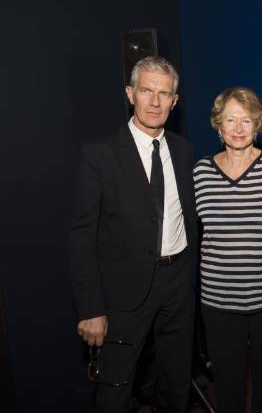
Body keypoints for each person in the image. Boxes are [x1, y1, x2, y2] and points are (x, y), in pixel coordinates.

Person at [68, 56, 198, 412]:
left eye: (164, 93)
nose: (155, 102)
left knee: (175, 383)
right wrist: (90, 308)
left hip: (178, 285)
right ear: (130, 94)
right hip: (124, 291)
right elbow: (81, 236)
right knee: (116, 389)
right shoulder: (99, 154)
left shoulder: (184, 150)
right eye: (146, 91)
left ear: (175, 100)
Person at [193, 87, 262, 413]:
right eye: (230, 119)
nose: (238, 127)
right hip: (218, 302)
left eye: (246, 120)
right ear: (218, 125)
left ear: (257, 124)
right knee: (228, 388)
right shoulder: (200, 173)